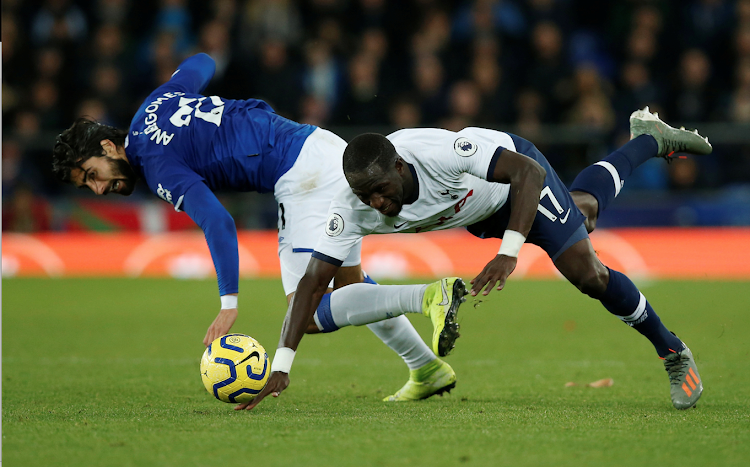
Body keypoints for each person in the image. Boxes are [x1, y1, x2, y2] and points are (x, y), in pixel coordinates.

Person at [51, 53, 469, 402]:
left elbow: (216, 219)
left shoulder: (156, 164)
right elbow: (202, 61)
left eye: (92, 174)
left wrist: (228, 301)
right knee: (349, 285)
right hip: (318, 146)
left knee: (306, 313)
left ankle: (429, 296)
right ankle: (426, 368)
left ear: (108, 147)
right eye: (88, 185)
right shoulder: (155, 104)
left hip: (301, 176)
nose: (99, 188)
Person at [245, 107, 711, 411]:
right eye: (366, 197)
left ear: (400, 169)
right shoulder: (351, 207)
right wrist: (282, 364)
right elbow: (310, 286)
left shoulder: (433, 152)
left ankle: (673, 351)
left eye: (383, 192)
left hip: (514, 180)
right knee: (583, 209)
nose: (378, 206)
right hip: (476, 211)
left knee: (586, 273)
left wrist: (509, 253)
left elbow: (525, 172)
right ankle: (648, 140)